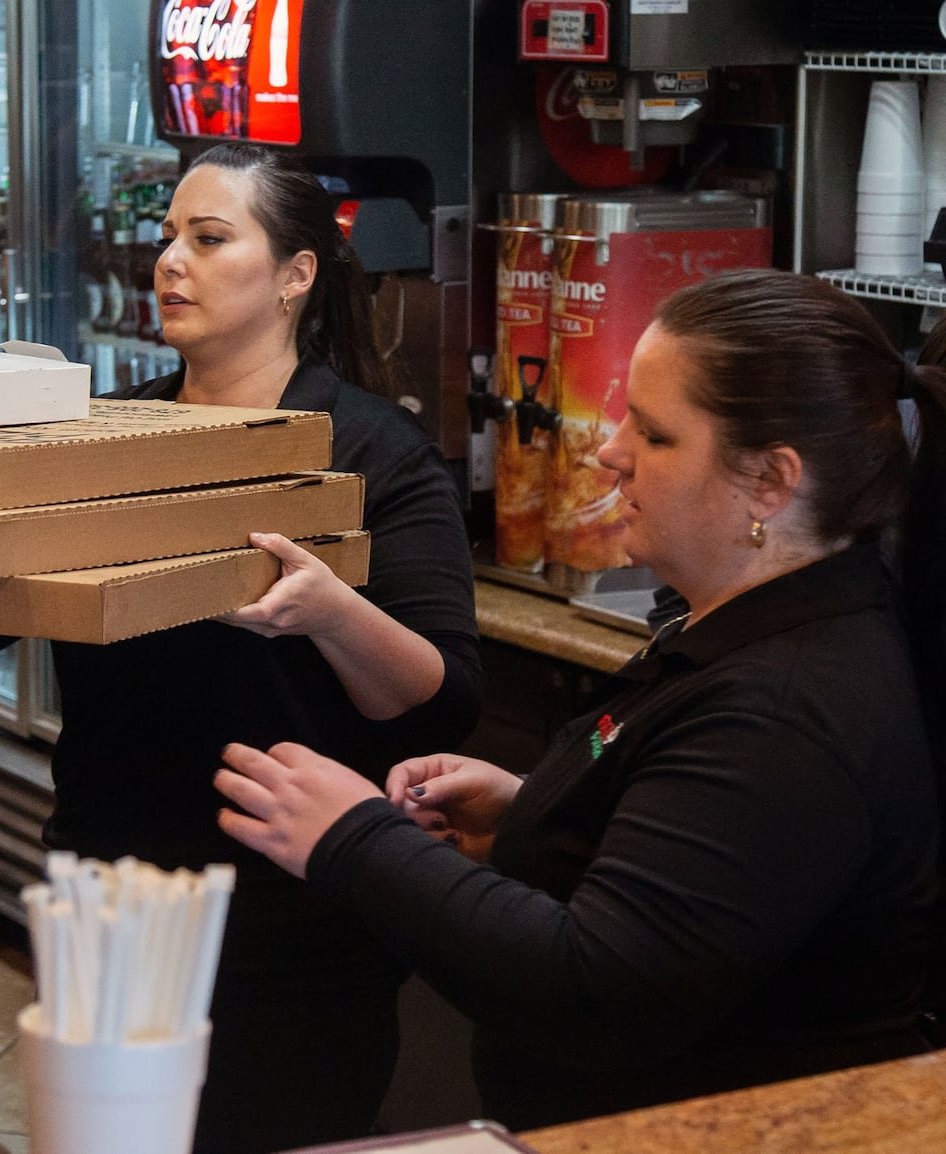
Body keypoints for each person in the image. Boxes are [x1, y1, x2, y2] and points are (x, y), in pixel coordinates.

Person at [213, 268, 946, 1131]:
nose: (609, 449)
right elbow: (698, 870)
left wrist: (353, 840)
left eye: (657, 434)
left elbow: (592, 992)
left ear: (770, 482)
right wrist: (539, 820)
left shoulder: (786, 715)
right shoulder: (737, 628)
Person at [0, 143, 481, 1154]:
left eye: (209, 236)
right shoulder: (109, 432)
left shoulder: (369, 451)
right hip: (107, 902)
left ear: (295, 274)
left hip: (294, 920)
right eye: (165, 239)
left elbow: (440, 699)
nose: (169, 262)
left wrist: (327, 610)